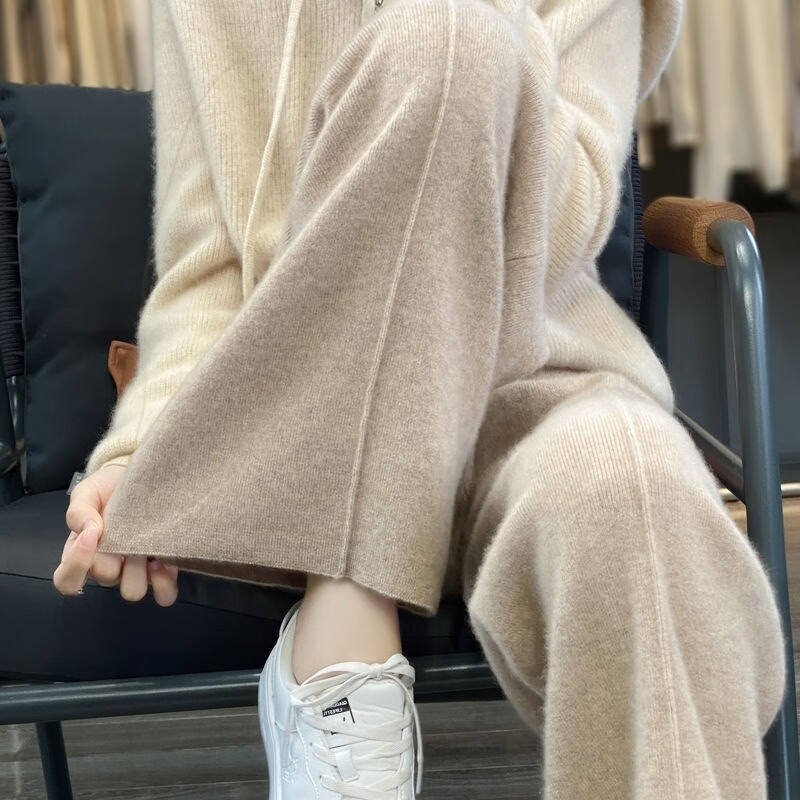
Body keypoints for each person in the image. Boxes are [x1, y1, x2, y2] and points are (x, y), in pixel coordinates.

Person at [53, 0, 787, 797]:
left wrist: (462, 51)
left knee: (636, 484)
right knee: (444, 37)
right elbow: (208, 265)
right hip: (306, 414)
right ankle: (343, 633)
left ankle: (341, 621)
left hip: (532, 377)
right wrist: (145, 446)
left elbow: (569, 222)